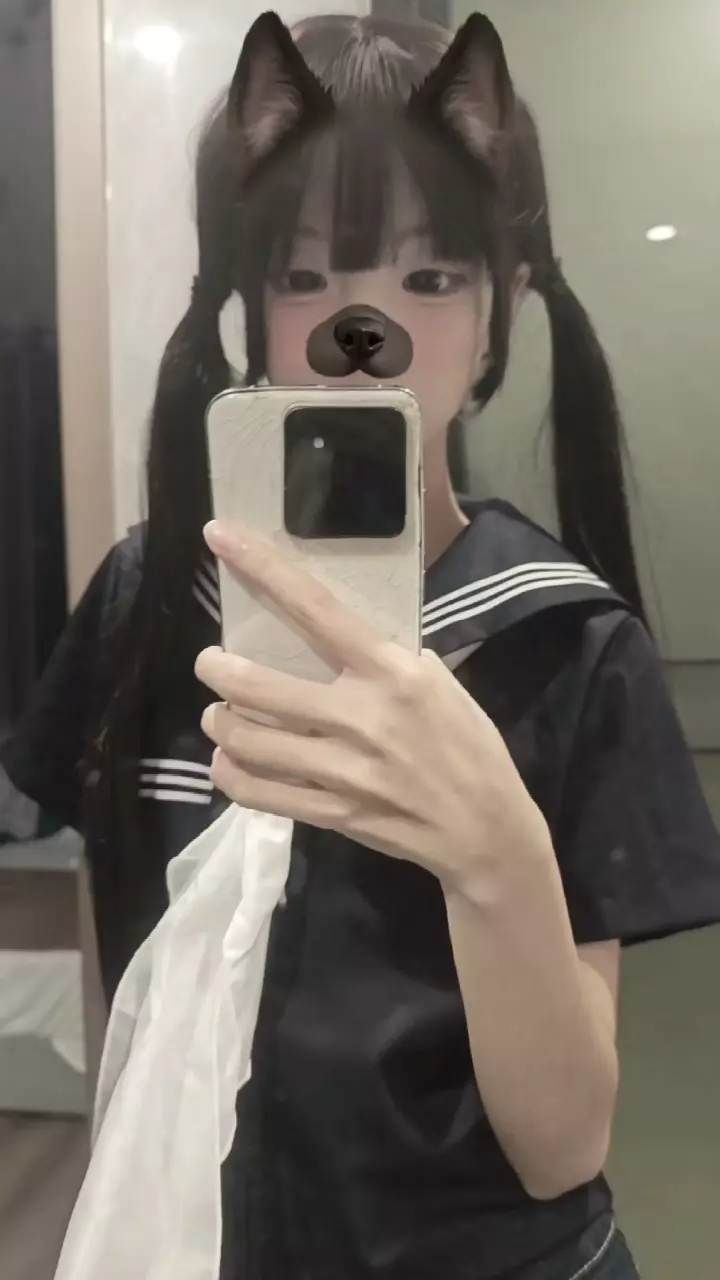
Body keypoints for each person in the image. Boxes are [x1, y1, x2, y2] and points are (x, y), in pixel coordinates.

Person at [2, 10, 720, 1278]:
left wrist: (496, 853)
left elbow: (562, 1144)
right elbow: (138, 1001)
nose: (364, 329)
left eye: (431, 279)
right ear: (247, 305)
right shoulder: (144, 604)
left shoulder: (567, 643)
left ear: (500, 310)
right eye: (307, 278)